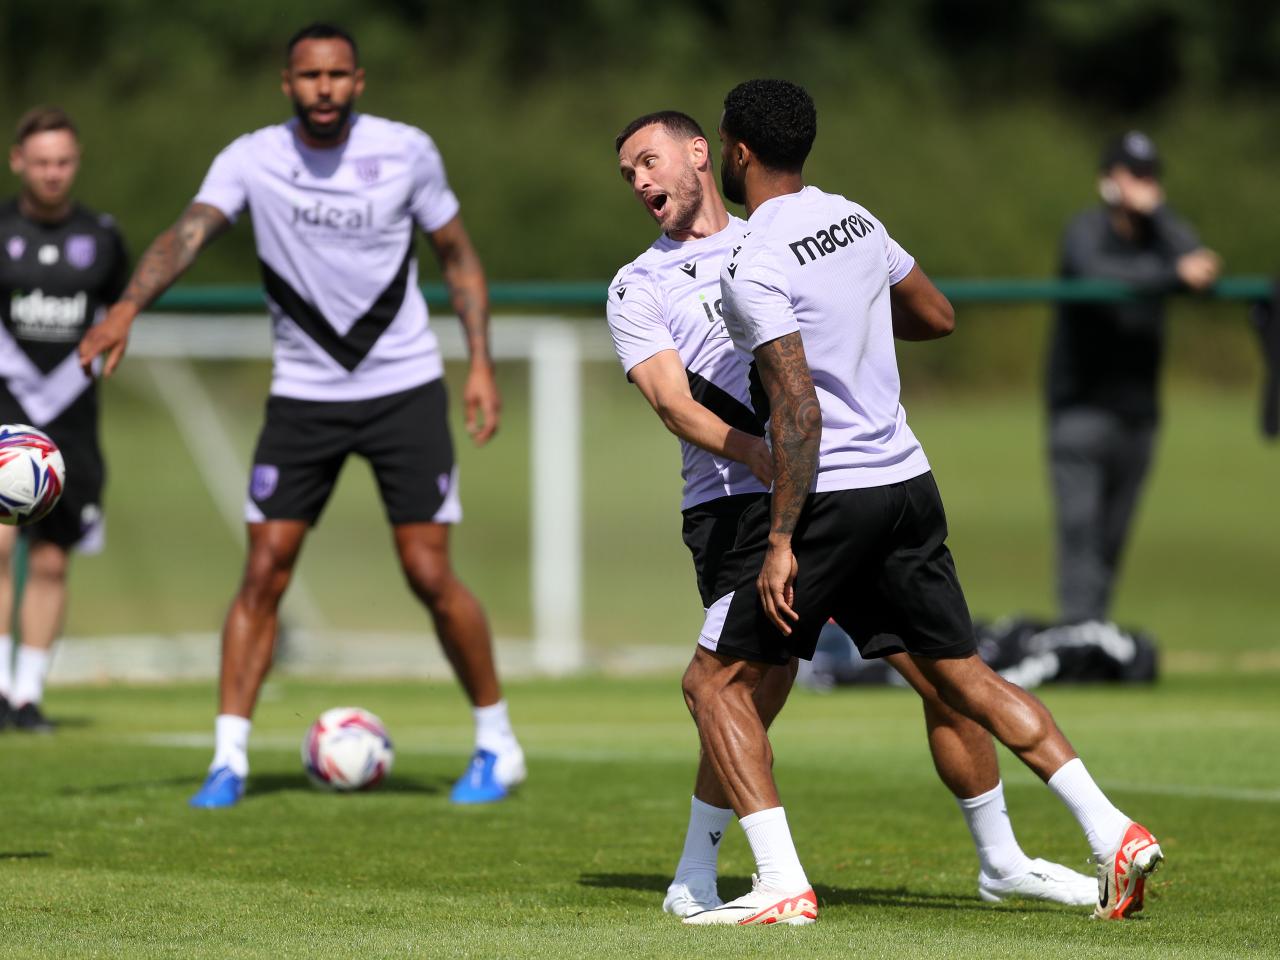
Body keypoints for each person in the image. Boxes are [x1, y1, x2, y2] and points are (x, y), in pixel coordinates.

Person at [680, 80, 1163, 926]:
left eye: (724, 145)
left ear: (739, 151)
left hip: (834, 495)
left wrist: (783, 538)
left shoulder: (753, 259)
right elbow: (936, 315)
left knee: (714, 682)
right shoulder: (857, 220)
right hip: (908, 482)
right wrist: (855, 318)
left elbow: (797, 409)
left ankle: (780, 883)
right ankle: (1111, 827)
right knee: (963, 676)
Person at [78, 23, 524, 807]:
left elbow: (457, 256)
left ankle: (497, 742)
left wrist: (479, 361)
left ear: (360, 81)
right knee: (263, 569)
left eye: (339, 75)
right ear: (287, 84)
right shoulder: (252, 157)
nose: (325, 88)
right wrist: (125, 307)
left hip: (403, 386)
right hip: (304, 397)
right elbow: (186, 235)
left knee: (427, 571)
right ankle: (229, 760)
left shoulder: (407, 150)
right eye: (309, 76)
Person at [1049, 131, 1221, 623]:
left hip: (1138, 413)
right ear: (1108, 181)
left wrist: (1161, 218)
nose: (1145, 187)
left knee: (1112, 537)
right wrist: (1172, 274)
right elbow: (1095, 276)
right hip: (1080, 408)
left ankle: (1096, 635)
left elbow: (1202, 264)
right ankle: (1078, 637)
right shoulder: (1085, 231)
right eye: (1133, 176)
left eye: (1150, 177)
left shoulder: (1163, 237)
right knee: (1080, 532)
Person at [0, 107, 128, 733]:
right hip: (3, 410)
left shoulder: (102, 237)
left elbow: (121, 312)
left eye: (64, 162)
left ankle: (27, 696)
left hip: (71, 421)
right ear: (18, 161)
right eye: (42, 161)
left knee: (52, 560)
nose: (53, 173)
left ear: (75, 163)